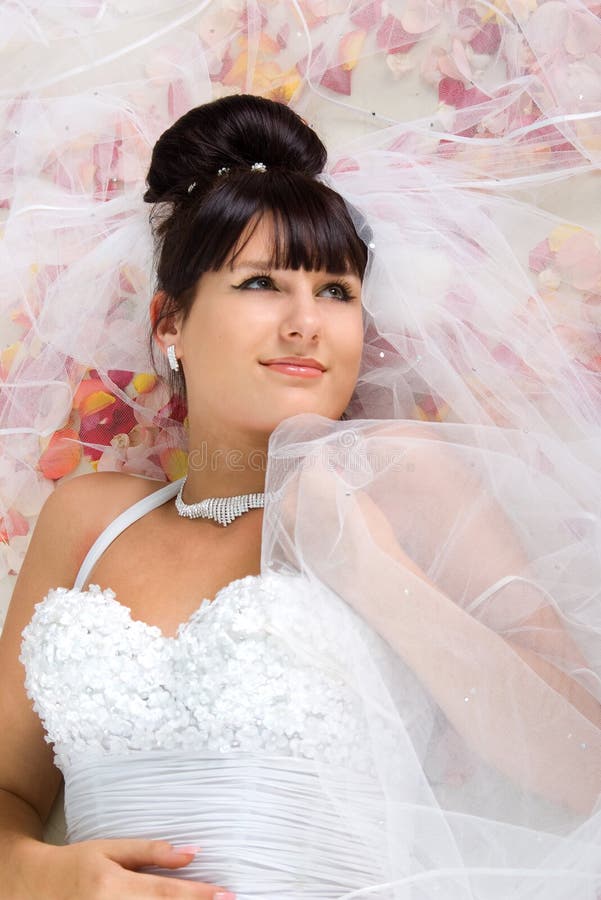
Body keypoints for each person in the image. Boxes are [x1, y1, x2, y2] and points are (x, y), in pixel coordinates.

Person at [1, 89, 601, 900]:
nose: (304, 323)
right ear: (170, 321)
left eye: (335, 291)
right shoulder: (89, 518)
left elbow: (583, 767)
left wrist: (371, 572)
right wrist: (43, 873)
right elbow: (11, 794)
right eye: (259, 284)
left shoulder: (399, 479)